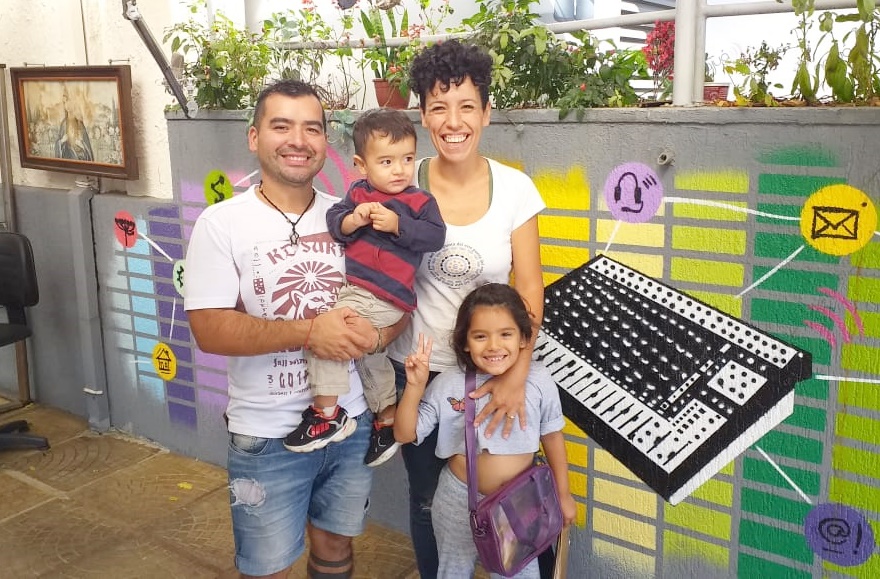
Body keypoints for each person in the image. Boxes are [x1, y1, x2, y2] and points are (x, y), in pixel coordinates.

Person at [184, 79, 404, 579]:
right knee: (267, 568)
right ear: (254, 136)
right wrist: (309, 333)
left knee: (336, 548)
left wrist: (380, 337)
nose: (298, 141)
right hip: (266, 435)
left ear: (326, 141)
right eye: (281, 126)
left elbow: (397, 296)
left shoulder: (352, 217)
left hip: (352, 425)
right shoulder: (221, 224)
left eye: (312, 128)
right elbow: (210, 329)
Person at [384, 40, 547, 578]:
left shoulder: (516, 190)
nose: (453, 122)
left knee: (510, 493)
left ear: (486, 112)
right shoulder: (401, 185)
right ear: (423, 115)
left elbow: (530, 288)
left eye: (466, 106)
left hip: (496, 372)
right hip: (420, 372)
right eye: (438, 107)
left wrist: (516, 375)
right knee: (427, 501)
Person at [287, 108, 445, 468]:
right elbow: (334, 222)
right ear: (361, 165)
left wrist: (398, 224)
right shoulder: (358, 194)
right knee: (368, 354)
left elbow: (435, 236)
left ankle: (327, 414)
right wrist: (352, 220)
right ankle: (386, 418)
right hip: (360, 292)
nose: (399, 169)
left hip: (383, 295)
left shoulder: (419, 202)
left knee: (327, 335)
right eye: (387, 161)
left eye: (407, 159)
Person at [394, 283, 577, 579]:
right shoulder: (449, 382)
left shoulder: (539, 380)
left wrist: (564, 495)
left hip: (520, 501)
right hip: (458, 499)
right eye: (480, 336)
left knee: (519, 573)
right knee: (452, 572)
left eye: (506, 334)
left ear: (523, 338)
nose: (493, 346)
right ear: (465, 342)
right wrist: (415, 387)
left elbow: (553, 437)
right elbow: (405, 435)